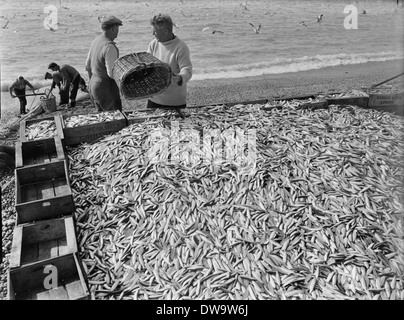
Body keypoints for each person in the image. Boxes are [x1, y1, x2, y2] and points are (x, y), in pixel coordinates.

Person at [146, 14, 192, 109]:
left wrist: (180, 78)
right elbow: (147, 64)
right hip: (154, 99)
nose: (152, 34)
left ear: (165, 31)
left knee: (176, 124)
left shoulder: (181, 47)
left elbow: (187, 69)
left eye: (155, 31)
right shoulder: (153, 44)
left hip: (174, 102)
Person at [85, 15, 122, 111]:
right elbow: (111, 73)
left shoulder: (96, 41)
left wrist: (90, 84)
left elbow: (87, 66)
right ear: (113, 28)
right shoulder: (109, 46)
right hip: (106, 87)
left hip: (94, 84)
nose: (118, 31)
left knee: (101, 118)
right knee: (116, 118)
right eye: (117, 28)